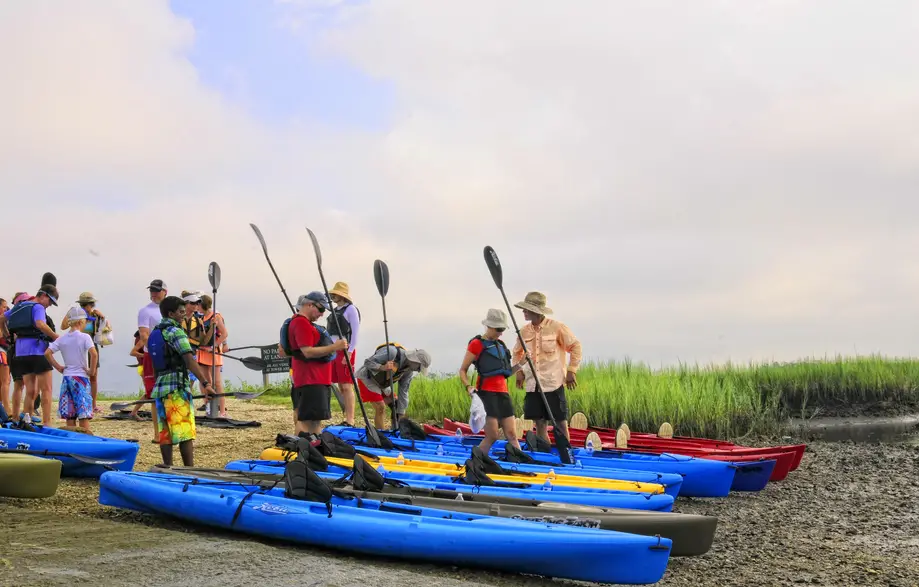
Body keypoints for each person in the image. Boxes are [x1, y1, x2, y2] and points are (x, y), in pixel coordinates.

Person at [148, 295, 215, 466]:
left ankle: (168, 467)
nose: (184, 314)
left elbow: (155, 364)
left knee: (166, 434)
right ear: (171, 313)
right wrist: (206, 384)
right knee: (185, 433)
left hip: (161, 389)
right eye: (180, 311)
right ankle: (189, 470)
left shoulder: (155, 332)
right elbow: (189, 360)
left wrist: (156, 385)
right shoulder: (175, 332)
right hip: (177, 388)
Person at [511, 291, 582, 444]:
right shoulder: (524, 331)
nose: (523, 311)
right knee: (539, 423)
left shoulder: (557, 327)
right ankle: (545, 452)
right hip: (533, 384)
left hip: (553, 382)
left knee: (560, 421)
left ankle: (565, 453)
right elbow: (516, 353)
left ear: (535, 310)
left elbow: (575, 346)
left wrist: (571, 370)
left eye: (526, 309)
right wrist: (519, 372)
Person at [459, 309, 527, 454]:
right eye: (499, 329)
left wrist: (521, 363)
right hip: (486, 395)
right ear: (489, 326)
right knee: (492, 436)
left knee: (512, 435)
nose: (501, 333)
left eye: (503, 329)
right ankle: (475, 460)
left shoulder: (501, 345)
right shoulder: (476, 344)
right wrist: (468, 386)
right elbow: (463, 370)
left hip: (503, 395)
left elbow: (506, 373)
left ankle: (520, 463)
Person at [285, 291, 348, 435]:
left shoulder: (305, 323)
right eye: (320, 309)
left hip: (316, 379)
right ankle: (301, 452)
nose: (322, 314)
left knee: (315, 420)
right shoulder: (301, 323)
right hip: (310, 379)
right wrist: (334, 347)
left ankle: (315, 449)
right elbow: (307, 351)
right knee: (306, 421)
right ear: (309, 304)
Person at [0, 285, 60, 427]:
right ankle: (46, 423)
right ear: (43, 295)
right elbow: (40, 324)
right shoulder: (38, 307)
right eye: (50, 301)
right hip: (37, 351)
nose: (49, 305)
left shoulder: (18, 307)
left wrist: (6, 333)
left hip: (21, 353)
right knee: (46, 389)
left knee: (30, 390)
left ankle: (26, 420)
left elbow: (1, 318)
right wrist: (56, 337)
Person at [44, 306, 98, 432]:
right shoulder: (85, 337)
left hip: (67, 377)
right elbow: (94, 354)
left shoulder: (62, 339)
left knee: (70, 412)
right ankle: (86, 439)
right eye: (85, 321)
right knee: (83, 412)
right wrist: (92, 371)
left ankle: (71, 439)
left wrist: (58, 367)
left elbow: (47, 353)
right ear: (80, 322)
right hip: (81, 378)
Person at [356, 343, 431, 428]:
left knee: (397, 406)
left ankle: (395, 431)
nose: (418, 371)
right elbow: (367, 362)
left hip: (382, 384)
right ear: (415, 360)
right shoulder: (391, 352)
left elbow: (404, 392)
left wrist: (401, 413)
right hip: (367, 378)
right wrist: (382, 367)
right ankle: (381, 436)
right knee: (381, 407)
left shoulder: (408, 372)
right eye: (418, 368)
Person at [60, 292, 107, 415]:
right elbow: (63, 326)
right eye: (89, 305)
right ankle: (80, 401)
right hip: (77, 346)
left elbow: (105, 328)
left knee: (93, 376)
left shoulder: (94, 316)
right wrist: (70, 314)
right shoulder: (76, 315)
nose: (90, 308)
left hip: (90, 345)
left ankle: (93, 404)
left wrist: (102, 317)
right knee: (79, 374)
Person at [131, 279, 167, 435]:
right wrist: (157, 352)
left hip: (169, 355)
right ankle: (158, 433)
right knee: (154, 394)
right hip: (152, 354)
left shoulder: (170, 310)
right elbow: (144, 335)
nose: (153, 293)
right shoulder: (145, 311)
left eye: (157, 290)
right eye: (151, 290)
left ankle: (169, 429)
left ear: (165, 291)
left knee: (168, 392)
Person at [326, 281, 360, 426]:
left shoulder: (351, 309)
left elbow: (355, 332)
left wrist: (350, 352)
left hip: (345, 350)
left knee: (347, 385)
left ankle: (350, 419)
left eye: (335, 294)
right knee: (340, 385)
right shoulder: (335, 310)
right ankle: (346, 415)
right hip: (333, 349)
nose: (333, 296)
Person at [195, 294, 227, 418]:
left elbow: (224, 334)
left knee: (217, 382)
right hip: (202, 352)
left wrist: (214, 346)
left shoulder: (216, 316)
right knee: (206, 382)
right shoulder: (199, 317)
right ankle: (209, 408)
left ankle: (223, 411)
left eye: (198, 304)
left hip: (213, 353)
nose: (197, 306)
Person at [0, 298, 10, 417]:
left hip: (4, 349)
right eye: (3, 307)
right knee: (5, 380)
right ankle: (7, 409)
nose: (6, 309)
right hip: (1, 350)